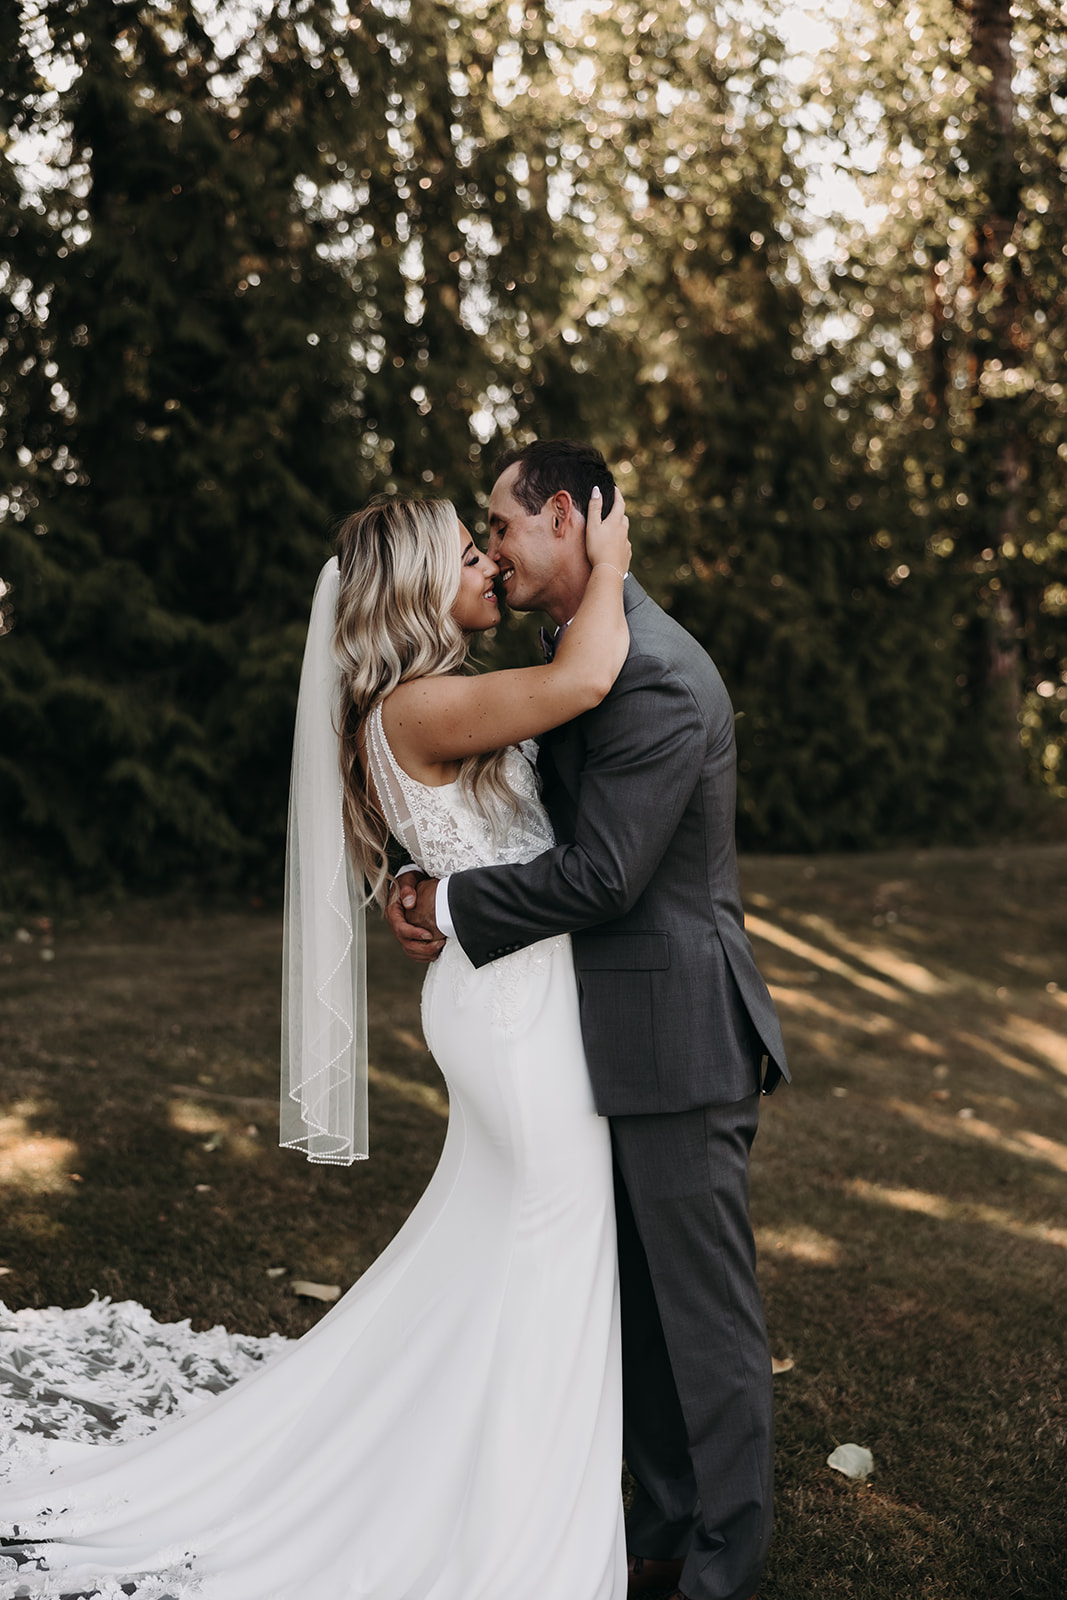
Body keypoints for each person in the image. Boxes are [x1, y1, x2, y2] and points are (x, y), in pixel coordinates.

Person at [0, 487, 635, 1600]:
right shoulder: (421, 705)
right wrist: (609, 556)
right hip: (511, 1017)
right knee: (549, 1253)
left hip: (502, 994)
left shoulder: (423, 703)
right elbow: (584, 680)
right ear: (413, 591)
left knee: (500, 1254)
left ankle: (478, 1478)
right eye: (465, 552)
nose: (487, 562)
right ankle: (522, 1545)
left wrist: (419, 886)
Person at [388, 440, 790, 1600]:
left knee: (705, 1338)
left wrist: (450, 902)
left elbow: (608, 873)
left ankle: (721, 1571)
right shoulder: (586, 651)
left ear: (564, 517)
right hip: (598, 1044)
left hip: (676, 1042)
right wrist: (407, 880)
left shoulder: (653, 672)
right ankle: (658, 1539)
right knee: (646, 1332)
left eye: (501, 526)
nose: (494, 552)